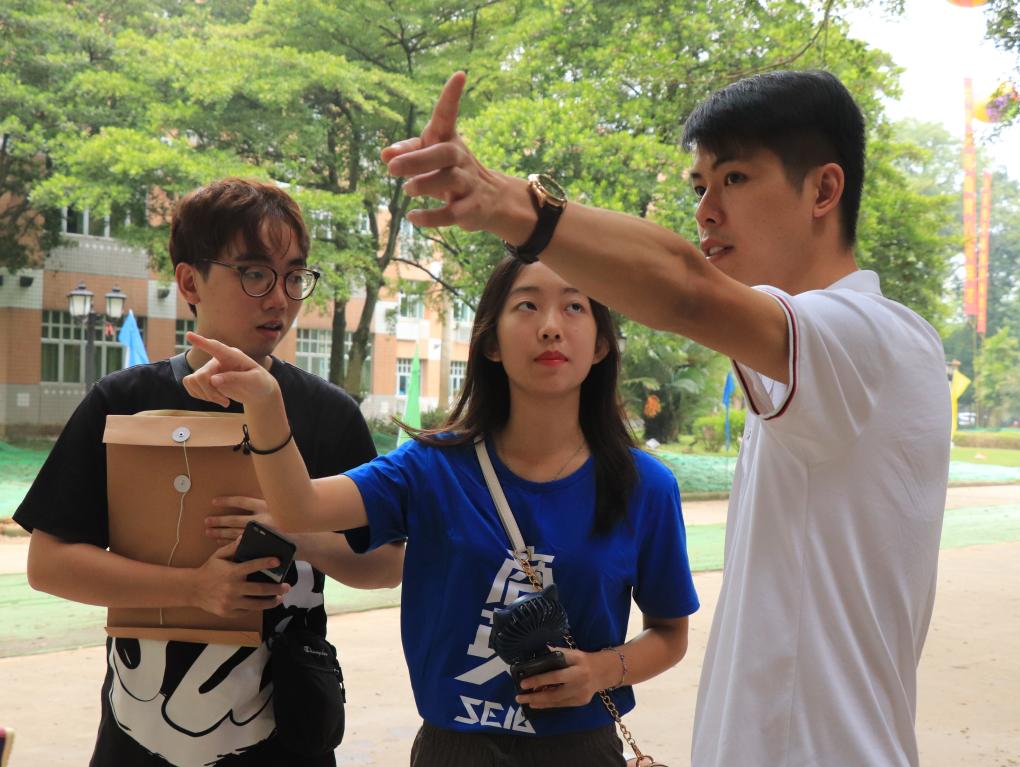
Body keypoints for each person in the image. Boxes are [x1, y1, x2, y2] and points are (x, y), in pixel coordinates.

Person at [381, 70, 952, 766]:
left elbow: (685, 289)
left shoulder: (862, 337)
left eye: (735, 178)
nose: (706, 211)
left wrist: (508, 205)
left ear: (823, 191)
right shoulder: (827, 365)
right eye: (699, 186)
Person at [181, 255, 700, 766]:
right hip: (452, 750)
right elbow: (299, 507)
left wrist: (601, 671)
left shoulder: (644, 487)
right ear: (491, 342)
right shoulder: (430, 468)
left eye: (574, 307)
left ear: (601, 343)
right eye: (526, 305)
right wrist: (265, 404)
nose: (550, 327)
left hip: (582, 750)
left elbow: (670, 633)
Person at [14, 178, 403, 767]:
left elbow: (385, 565)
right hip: (141, 733)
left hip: (287, 732)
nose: (279, 298)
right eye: (255, 273)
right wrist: (194, 588)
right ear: (190, 281)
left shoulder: (328, 414)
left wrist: (296, 530)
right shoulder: (123, 402)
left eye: (294, 275)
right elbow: (49, 564)